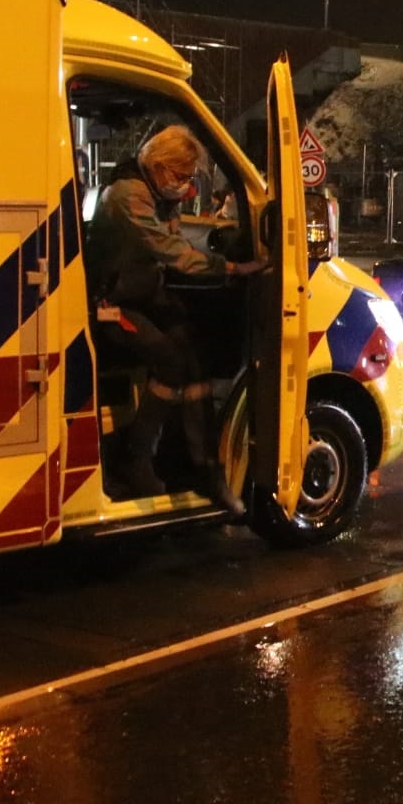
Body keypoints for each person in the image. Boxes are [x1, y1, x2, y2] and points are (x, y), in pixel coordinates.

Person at [86, 124, 262, 515]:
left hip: (142, 295)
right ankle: (136, 458)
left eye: (188, 177)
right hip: (111, 304)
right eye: (180, 175)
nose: (183, 184)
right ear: (158, 165)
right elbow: (172, 251)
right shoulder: (128, 194)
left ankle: (201, 463)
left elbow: (176, 243)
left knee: (194, 356)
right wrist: (231, 267)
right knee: (168, 357)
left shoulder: (159, 195)